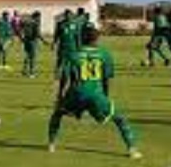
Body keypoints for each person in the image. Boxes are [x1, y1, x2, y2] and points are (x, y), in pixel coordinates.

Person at [48, 26, 142, 159]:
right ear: (97, 39)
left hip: (76, 93)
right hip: (96, 94)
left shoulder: (73, 54)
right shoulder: (104, 54)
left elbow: (65, 78)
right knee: (120, 119)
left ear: (81, 38)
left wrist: (60, 97)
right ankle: (132, 149)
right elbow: (107, 79)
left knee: (57, 114)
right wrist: (106, 96)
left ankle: (51, 144)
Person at [52, 9, 80, 77]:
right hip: (62, 46)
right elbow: (56, 35)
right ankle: (57, 73)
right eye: (67, 15)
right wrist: (54, 43)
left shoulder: (75, 24)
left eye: (70, 15)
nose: (68, 16)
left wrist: (79, 46)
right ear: (64, 15)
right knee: (60, 61)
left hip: (72, 47)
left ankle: (77, 75)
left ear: (72, 15)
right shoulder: (60, 24)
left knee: (74, 62)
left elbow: (77, 36)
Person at [19, 11, 47, 78]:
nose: (39, 18)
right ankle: (32, 73)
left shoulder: (26, 22)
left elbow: (20, 29)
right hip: (32, 41)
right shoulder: (35, 23)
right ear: (37, 16)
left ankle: (24, 71)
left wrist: (22, 38)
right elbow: (37, 34)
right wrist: (44, 41)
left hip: (26, 41)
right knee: (33, 58)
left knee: (27, 56)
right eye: (39, 17)